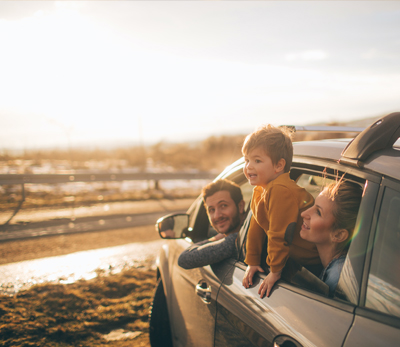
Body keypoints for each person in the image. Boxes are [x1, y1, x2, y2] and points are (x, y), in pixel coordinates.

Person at [241, 124, 320, 298]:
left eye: (257, 161)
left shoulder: (280, 190)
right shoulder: (262, 189)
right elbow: (256, 227)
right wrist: (252, 261)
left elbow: (279, 234)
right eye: (246, 160)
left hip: (313, 261)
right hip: (297, 259)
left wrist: (275, 271)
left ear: (279, 166)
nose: (249, 167)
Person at [300, 180, 363, 296]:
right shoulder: (337, 268)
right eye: (313, 205)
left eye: (318, 212)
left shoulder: (337, 279)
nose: (304, 213)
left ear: (338, 235)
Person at [178, 179, 247, 269]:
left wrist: (217, 238)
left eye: (223, 205)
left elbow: (184, 259)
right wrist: (221, 237)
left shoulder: (238, 241)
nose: (217, 215)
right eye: (211, 210)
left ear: (241, 206)